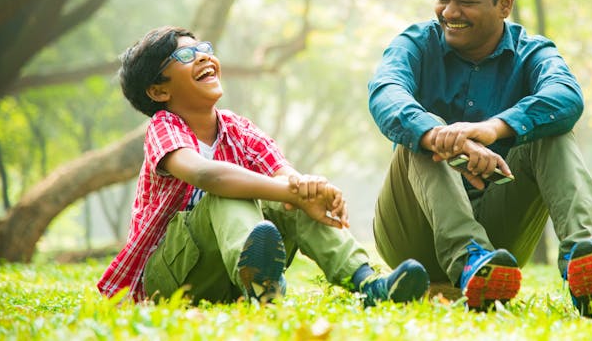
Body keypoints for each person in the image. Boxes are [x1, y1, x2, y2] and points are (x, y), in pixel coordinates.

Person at [367, 0, 592, 316]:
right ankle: (470, 259)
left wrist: (495, 128)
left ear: (505, 3)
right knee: (421, 134)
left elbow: (567, 96)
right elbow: (385, 93)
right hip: (411, 233)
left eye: (466, 1)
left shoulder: (533, 53)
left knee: (554, 131)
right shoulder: (416, 44)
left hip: (500, 239)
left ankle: (584, 263)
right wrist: (445, 136)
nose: (449, 11)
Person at [97, 26, 429, 307]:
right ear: (158, 90)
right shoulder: (164, 126)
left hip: (224, 279)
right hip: (171, 279)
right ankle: (260, 286)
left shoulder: (238, 128)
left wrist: (313, 191)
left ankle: (369, 284)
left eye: (203, 49)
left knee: (291, 198)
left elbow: (287, 178)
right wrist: (292, 190)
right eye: (185, 56)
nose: (202, 56)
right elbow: (205, 175)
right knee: (225, 187)